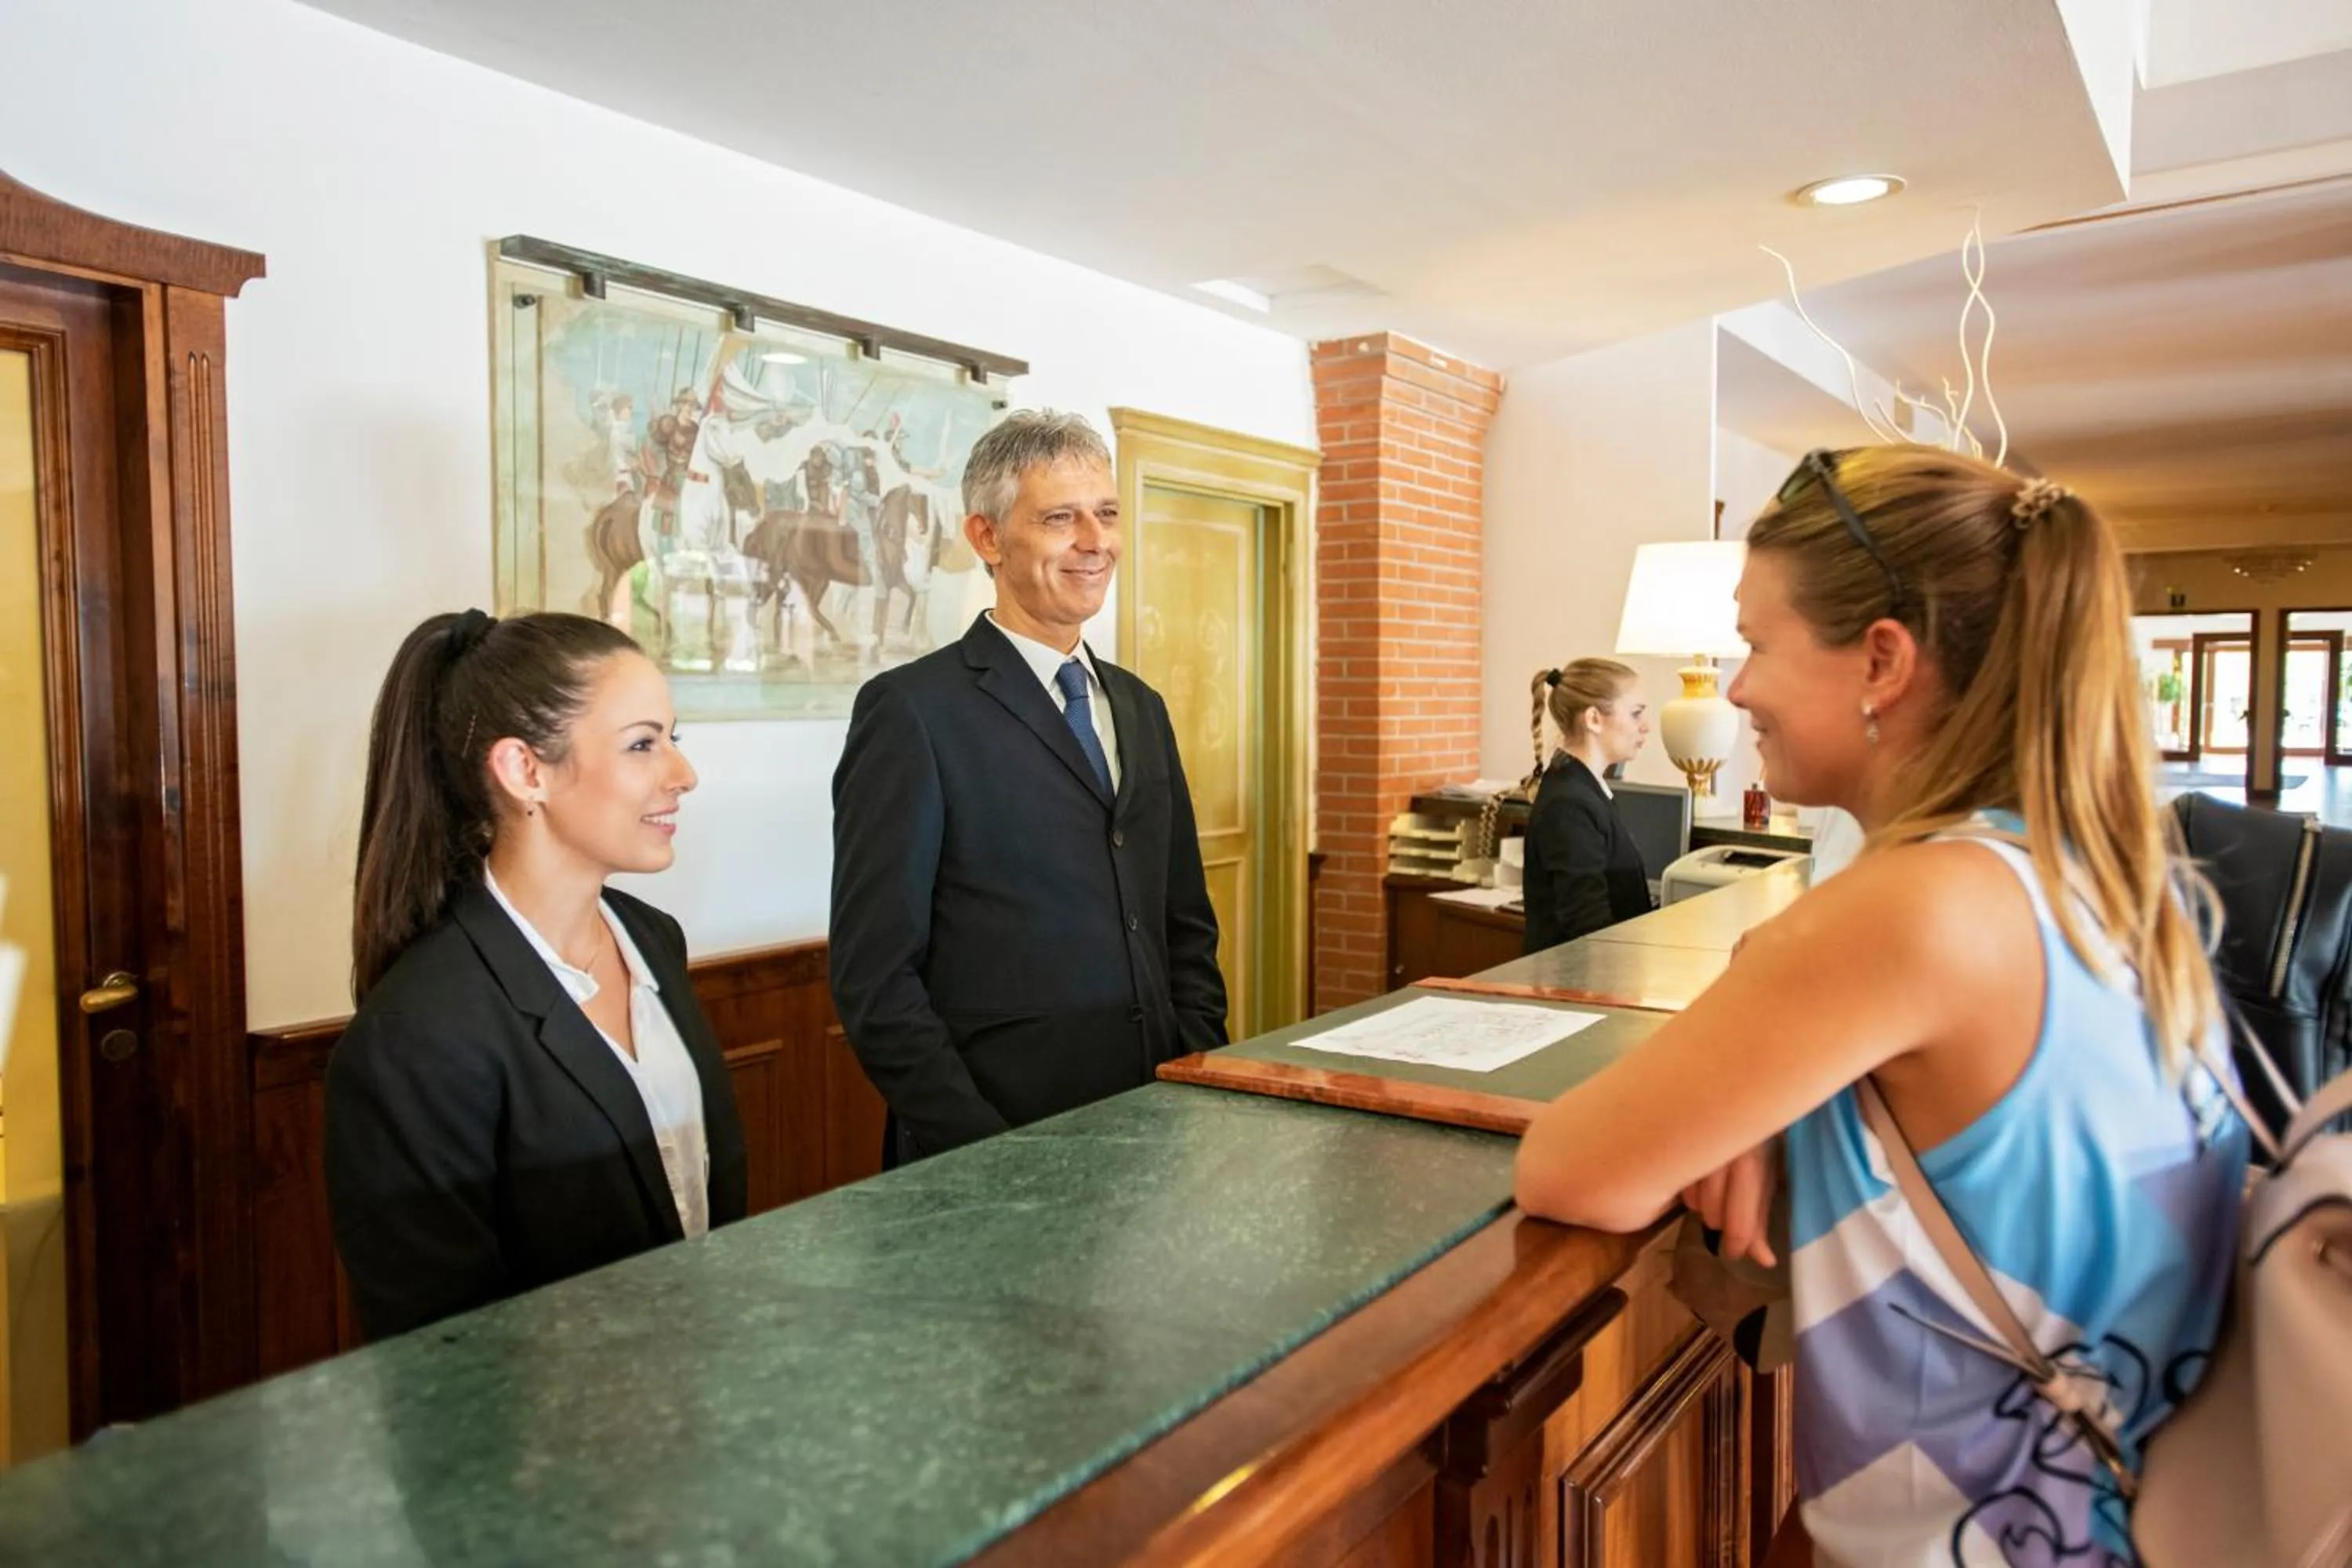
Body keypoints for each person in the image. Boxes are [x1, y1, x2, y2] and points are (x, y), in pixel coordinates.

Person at [1512, 448, 2247, 1566]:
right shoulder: (2093, 878)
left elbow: (1569, 1168)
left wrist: (1768, 1027)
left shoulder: (1912, 909)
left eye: (1759, 643)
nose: (1739, 686)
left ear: (1883, 660)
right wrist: (1777, 1071)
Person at [325, 609, 746, 1338]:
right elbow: (440, 1344)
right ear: (526, 771)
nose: (684, 774)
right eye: (643, 744)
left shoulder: (652, 941)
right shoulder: (417, 1035)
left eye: (672, 740)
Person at [829, 410, 1227, 1165]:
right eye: (1059, 518)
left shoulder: (1141, 708)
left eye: (1107, 514)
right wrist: (982, 1149)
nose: (1095, 541)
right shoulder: (912, 712)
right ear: (986, 537)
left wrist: (1198, 1071)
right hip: (995, 1139)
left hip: (1155, 1122)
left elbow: (1184, 923)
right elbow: (874, 979)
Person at [1519, 658, 1654, 951]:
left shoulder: (1585, 789)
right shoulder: (1569, 805)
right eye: (1635, 714)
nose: (1646, 727)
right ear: (1593, 718)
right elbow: (1587, 925)